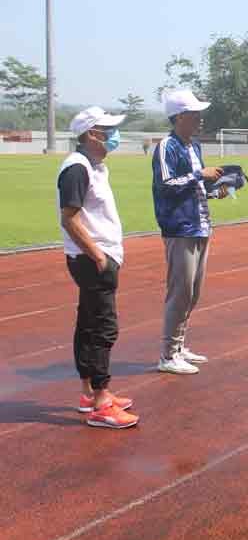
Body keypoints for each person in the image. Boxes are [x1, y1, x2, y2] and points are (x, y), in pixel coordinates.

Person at [58, 107, 138, 429]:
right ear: (92, 134)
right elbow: (70, 217)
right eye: (108, 129)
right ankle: (102, 402)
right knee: (104, 327)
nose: (114, 135)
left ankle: (89, 393)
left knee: (89, 322)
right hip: (92, 260)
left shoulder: (94, 166)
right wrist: (98, 256)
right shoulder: (77, 169)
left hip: (94, 258)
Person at [153, 89, 225, 375]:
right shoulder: (166, 146)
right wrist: (199, 175)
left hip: (200, 225)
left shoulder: (194, 146)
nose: (200, 119)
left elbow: (195, 187)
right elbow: (165, 183)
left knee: (194, 292)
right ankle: (168, 354)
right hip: (180, 228)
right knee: (180, 292)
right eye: (196, 114)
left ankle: (179, 346)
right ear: (180, 116)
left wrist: (214, 190)